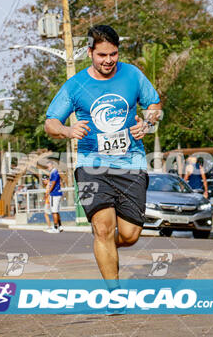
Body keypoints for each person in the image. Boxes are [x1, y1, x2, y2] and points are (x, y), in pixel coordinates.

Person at [45, 25, 162, 290]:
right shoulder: (75, 85)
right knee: (103, 229)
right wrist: (67, 129)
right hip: (91, 166)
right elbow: (50, 122)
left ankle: (104, 246)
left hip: (131, 163)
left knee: (130, 235)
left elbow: (155, 106)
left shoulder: (132, 75)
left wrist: (148, 123)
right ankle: (115, 293)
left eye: (113, 54)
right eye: (102, 55)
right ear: (90, 53)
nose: (108, 60)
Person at [45, 161, 63, 233]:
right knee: (56, 211)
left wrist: (49, 191)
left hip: (54, 194)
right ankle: (60, 226)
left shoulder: (54, 172)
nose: (47, 168)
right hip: (56, 193)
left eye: (48, 166)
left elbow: (53, 183)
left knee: (54, 211)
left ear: (52, 165)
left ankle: (55, 228)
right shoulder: (53, 172)